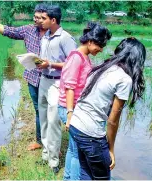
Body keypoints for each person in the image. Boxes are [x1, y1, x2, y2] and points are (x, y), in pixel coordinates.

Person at [69, 37, 146, 180]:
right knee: (102, 177)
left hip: (76, 126)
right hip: (90, 134)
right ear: (137, 60)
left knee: (86, 172)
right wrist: (110, 149)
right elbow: (112, 121)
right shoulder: (124, 79)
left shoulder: (103, 68)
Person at [0, 4, 47, 151]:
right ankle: (40, 140)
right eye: (35, 17)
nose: (36, 20)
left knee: (51, 111)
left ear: (49, 19)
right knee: (39, 110)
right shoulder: (28, 30)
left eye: (40, 18)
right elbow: (7, 31)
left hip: (51, 79)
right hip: (33, 78)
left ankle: (52, 143)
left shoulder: (54, 34)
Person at [58, 22, 111, 180]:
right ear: (90, 41)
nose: (101, 49)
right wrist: (69, 114)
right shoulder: (76, 57)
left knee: (72, 150)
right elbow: (69, 87)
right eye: (100, 45)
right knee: (77, 153)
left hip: (74, 109)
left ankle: (68, 177)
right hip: (70, 108)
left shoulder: (84, 57)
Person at [36, 5, 77, 174]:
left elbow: (72, 63)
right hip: (44, 80)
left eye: (43, 18)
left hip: (57, 83)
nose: (40, 21)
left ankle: (54, 162)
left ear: (53, 20)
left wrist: (50, 64)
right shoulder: (45, 36)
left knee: (53, 122)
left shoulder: (65, 38)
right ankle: (46, 154)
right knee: (44, 118)